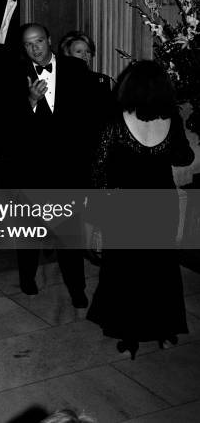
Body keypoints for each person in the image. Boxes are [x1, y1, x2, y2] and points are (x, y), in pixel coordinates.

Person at [86, 60, 194, 359]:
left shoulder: (116, 121)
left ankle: (129, 337)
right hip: (161, 202)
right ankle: (165, 332)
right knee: (160, 268)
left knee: (126, 271)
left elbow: (97, 171)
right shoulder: (171, 118)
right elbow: (184, 158)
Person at [8, 23, 92, 306]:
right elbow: (8, 127)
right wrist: (30, 101)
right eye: (29, 44)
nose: (35, 48)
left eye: (39, 41)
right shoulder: (13, 74)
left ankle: (77, 288)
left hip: (68, 167)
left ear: (50, 40)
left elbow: (87, 120)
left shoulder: (76, 69)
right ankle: (27, 277)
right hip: (32, 167)